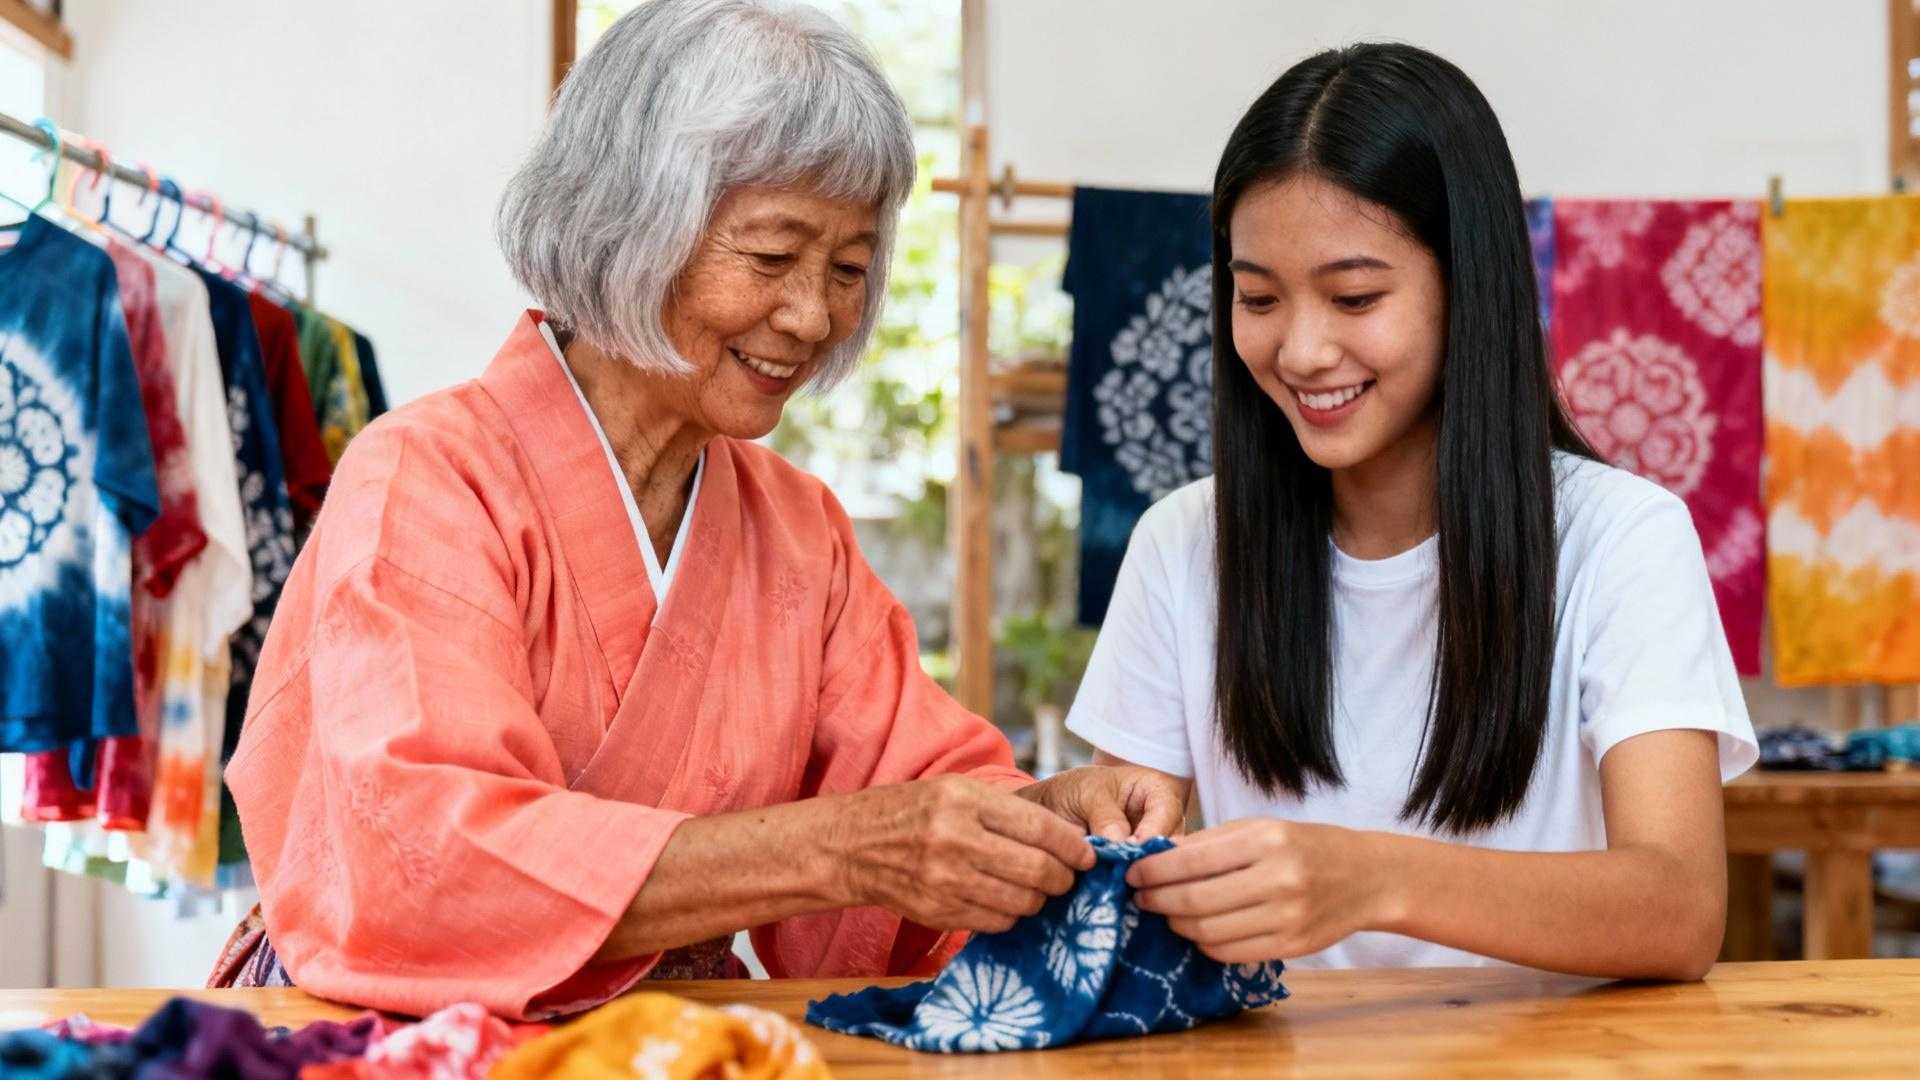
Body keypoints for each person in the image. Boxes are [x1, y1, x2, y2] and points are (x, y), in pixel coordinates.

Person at [221, 0, 1182, 1020]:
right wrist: (840, 849)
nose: (813, 316)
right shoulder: (423, 480)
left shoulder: (795, 527)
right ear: (628, 222)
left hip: (666, 1041)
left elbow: (915, 785)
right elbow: (424, 854)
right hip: (398, 1036)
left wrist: (1044, 820)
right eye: (771, 259)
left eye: (848, 269)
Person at [1066, 43, 1758, 980]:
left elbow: (1678, 910)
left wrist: (1376, 878)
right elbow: (1126, 855)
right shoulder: (1184, 544)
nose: (1302, 350)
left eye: (1355, 296)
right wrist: (1095, 836)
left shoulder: (1620, 538)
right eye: (1258, 296)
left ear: (1468, 286)